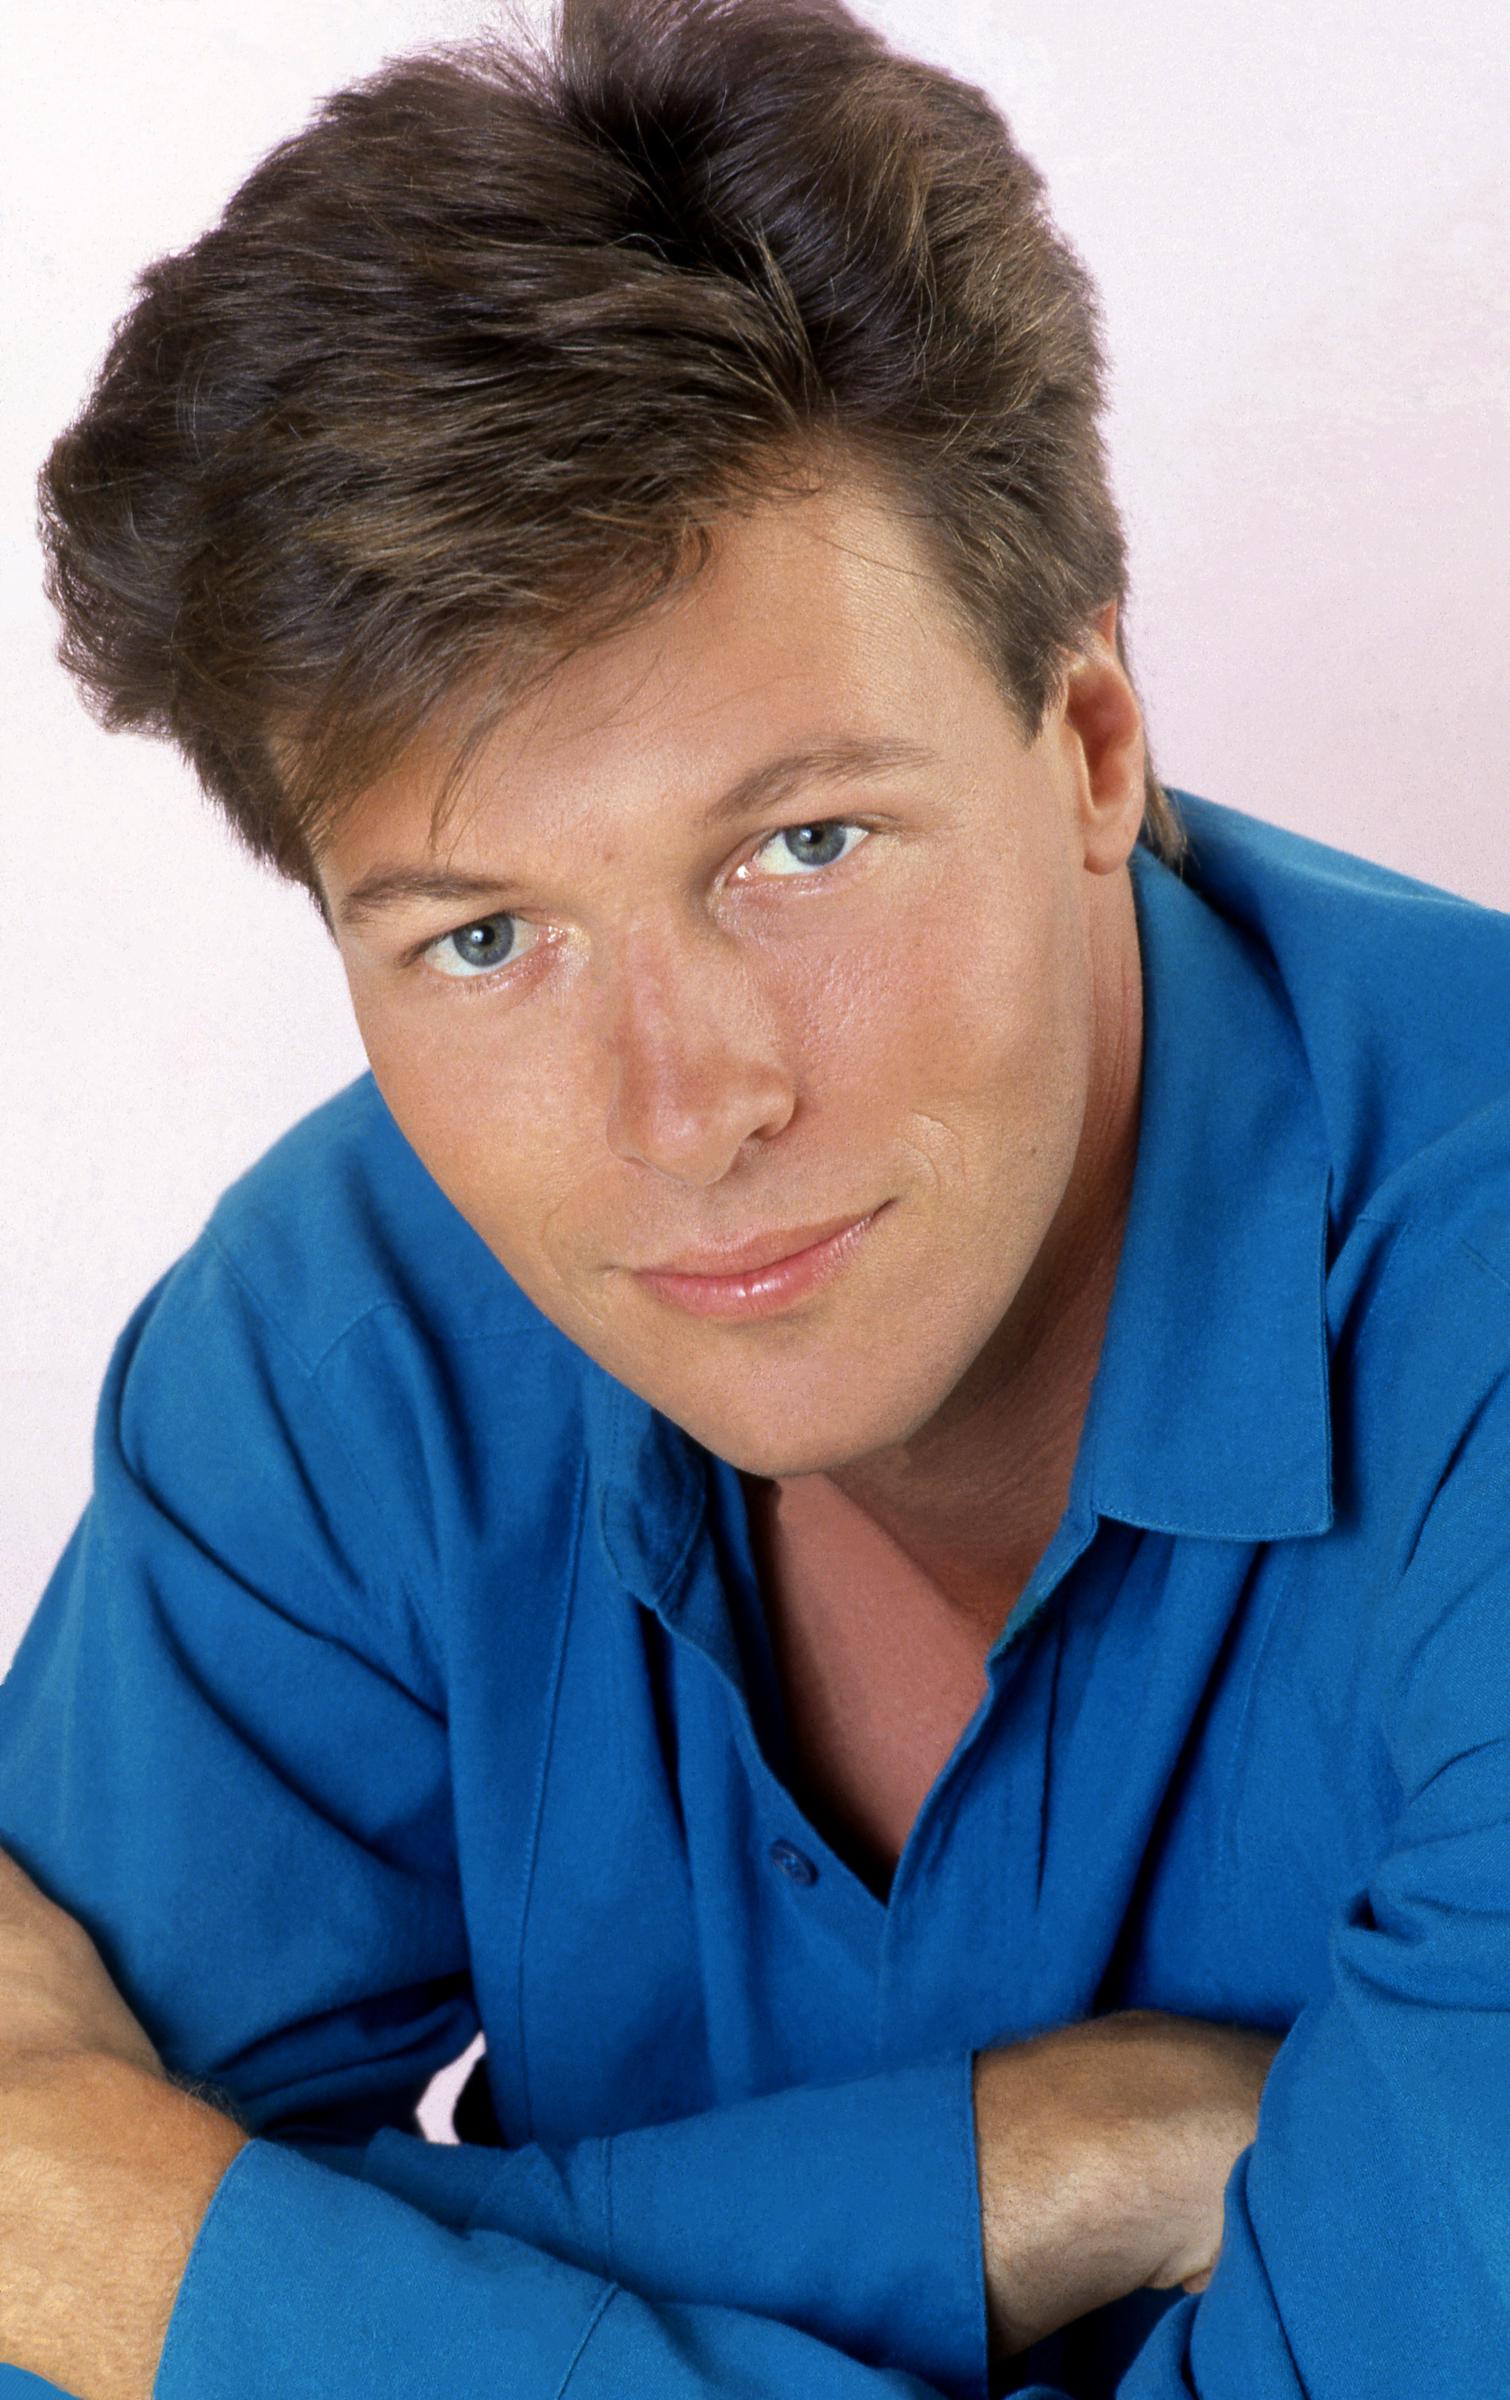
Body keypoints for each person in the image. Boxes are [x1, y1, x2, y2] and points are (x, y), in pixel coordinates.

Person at [2, 0, 1507, 2394]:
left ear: (1090, 736)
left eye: (798, 847)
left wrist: (193, 2263)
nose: (680, 1107)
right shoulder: (349, 1335)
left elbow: (79, 2261)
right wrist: (1018, 2172)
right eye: (481, 936)